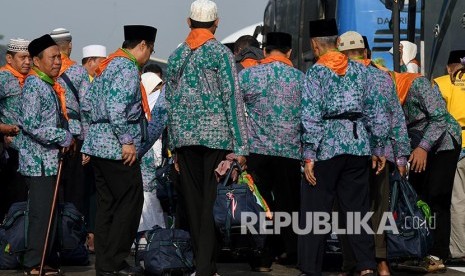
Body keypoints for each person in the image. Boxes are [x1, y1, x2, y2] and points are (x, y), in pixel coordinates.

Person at [164, 0, 249, 274]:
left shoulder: (177, 55)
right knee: (210, 203)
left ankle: (203, 264)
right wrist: (241, 146)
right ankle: (205, 267)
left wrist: (173, 146)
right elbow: (232, 99)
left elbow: (170, 102)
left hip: (185, 140)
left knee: (194, 202)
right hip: (216, 138)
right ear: (217, 23)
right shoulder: (221, 54)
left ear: (188, 22)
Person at [299, 19, 389, 276]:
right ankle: (366, 266)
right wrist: (379, 147)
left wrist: (308, 155)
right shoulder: (361, 71)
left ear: (315, 45)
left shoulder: (316, 72)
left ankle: (310, 268)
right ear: (338, 43)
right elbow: (376, 110)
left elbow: (310, 115)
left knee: (317, 211)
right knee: (357, 210)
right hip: (358, 145)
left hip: (326, 148)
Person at [81, 24, 157, 276]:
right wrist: (127, 140)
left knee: (107, 206)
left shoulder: (108, 64)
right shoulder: (125, 67)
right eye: (150, 50)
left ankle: (105, 264)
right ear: (143, 46)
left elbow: (89, 103)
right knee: (130, 202)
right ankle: (115, 260)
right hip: (116, 148)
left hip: (99, 144)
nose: (149, 56)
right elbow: (116, 108)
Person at [337, 31, 411, 276]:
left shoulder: (338, 76)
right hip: (383, 152)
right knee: (379, 209)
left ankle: (352, 261)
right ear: (365, 52)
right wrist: (401, 157)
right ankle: (380, 261)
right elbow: (396, 118)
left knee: (348, 208)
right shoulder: (383, 78)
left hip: (347, 151)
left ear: (341, 54)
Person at [238, 31, 305, 269]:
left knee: (261, 204)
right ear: (290, 52)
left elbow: (236, 111)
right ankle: (291, 252)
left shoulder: (247, 76)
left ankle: (263, 256)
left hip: (257, 152)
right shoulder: (300, 79)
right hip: (290, 153)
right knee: (288, 204)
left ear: (264, 51)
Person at [391, 69, 462, 270]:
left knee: (437, 196)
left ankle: (439, 253)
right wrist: (401, 159)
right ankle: (418, 247)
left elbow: (439, 117)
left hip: (443, 142)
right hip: (417, 144)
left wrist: (423, 147)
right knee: (417, 196)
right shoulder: (386, 93)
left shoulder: (416, 83)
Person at [19, 34, 74, 276]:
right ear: (37, 61)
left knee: (51, 212)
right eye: (52, 58)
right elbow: (30, 124)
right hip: (39, 162)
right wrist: (62, 136)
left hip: (51, 161)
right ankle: (34, 263)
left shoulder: (49, 85)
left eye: (58, 57)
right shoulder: (34, 85)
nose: (57, 62)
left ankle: (46, 259)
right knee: (42, 213)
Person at [433, 50, 465, 263]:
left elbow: (435, 117)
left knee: (458, 200)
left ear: (448, 67)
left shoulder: (441, 82)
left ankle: (459, 249)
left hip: (456, 144)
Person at [0, 38, 30, 218]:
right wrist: (3, 129)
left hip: (29, 150)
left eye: (30, 58)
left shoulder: (33, 79)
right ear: (10, 59)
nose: (27, 62)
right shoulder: (3, 78)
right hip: (10, 151)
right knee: (11, 199)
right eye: (22, 57)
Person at [137, 72, 166, 234]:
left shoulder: (153, 105)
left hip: (152, 158)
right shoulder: (143, 108)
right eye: (155, 89)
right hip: (146, 154)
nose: (159, 92)